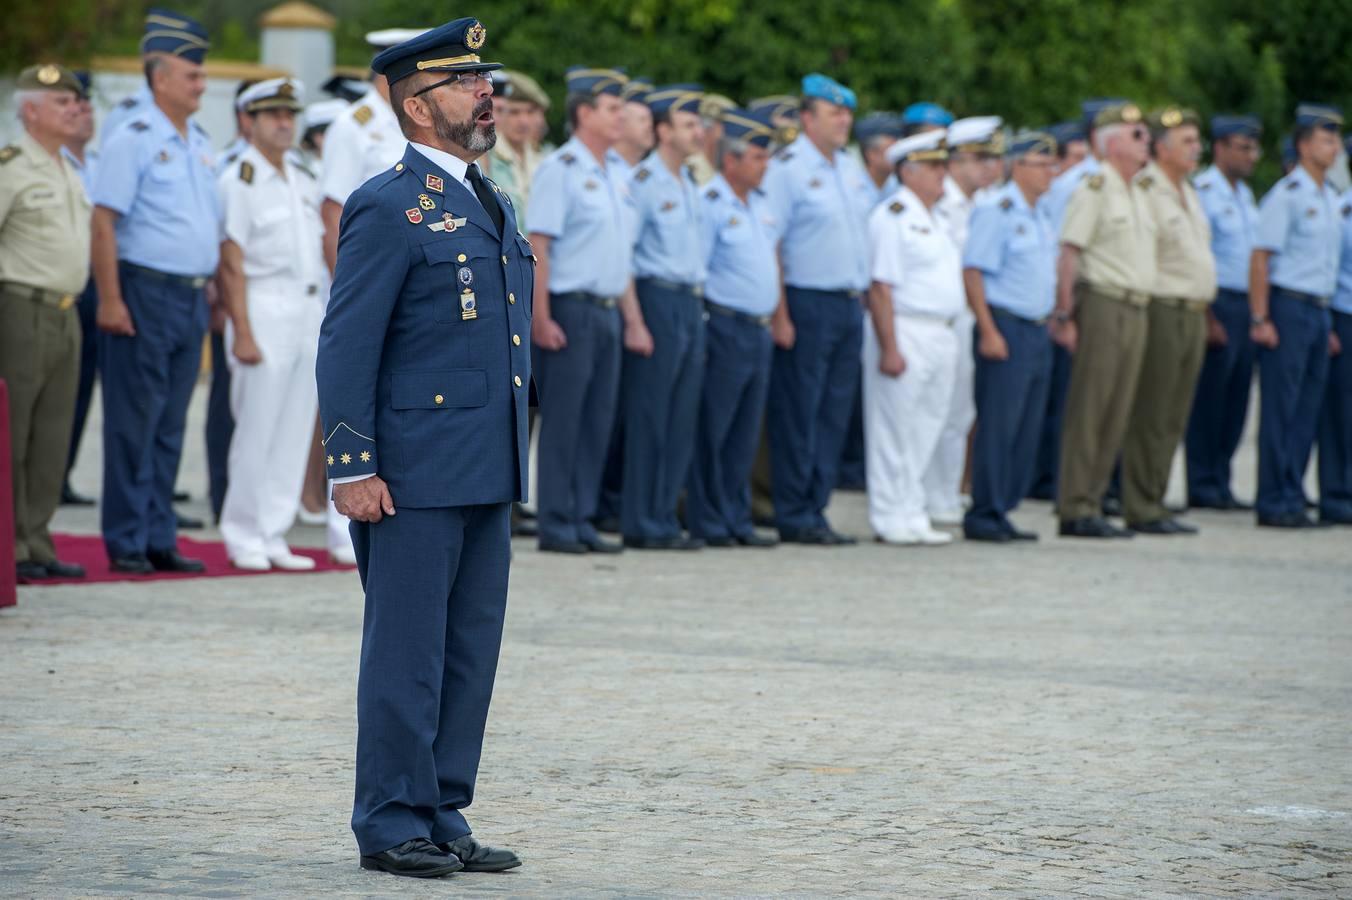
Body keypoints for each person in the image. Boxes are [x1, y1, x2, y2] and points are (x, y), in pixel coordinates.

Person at [316, 18, 527, 878]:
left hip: (485, 460)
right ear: (416, 103)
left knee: (469, 650)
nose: (486, 93)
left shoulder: (488, 195)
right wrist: (352, 464)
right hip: (413, 469)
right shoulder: (386, 202)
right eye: (464, 82)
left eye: (486, 79)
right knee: (405, 652)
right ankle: (389, 818)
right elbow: (347, 343)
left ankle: (442, 808)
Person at [90, 13, 217, 574]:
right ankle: (127, 538)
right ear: (160, 77)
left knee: (169, 423)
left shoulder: (200, 140)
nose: (201, 84)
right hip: (142, 290)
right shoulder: (132, 136)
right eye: (192, 75)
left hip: (189, 296)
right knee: (133, 421)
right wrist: (112, 300)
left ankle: (160, 532)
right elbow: (103, 223)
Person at [214, 79, 325, 570]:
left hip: (306, 306)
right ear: (249, 121)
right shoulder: (238, 178)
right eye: (272, 114)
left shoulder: (302, 175)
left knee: (295, 424)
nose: (284, 122)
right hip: (262, 303)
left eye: (289, 114)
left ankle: (274, 530)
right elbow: (230, 259)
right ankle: (242, 532)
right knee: (256, 427)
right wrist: (243, 329)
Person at [762, 73, 874, 544]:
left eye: (848, 112)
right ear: (807, 118)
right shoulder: (787, 167)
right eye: (834, 113)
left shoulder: (851, 166)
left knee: (834, 412)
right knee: (800, 410)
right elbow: (773, 244)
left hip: (849, 303)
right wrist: (781, 312)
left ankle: (818, 506)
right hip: (807, 302)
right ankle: (793, 510)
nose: (844, 120)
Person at [528, 67, 634, 554]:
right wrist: (540, 316)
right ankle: (555, 520)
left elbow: (620, 252)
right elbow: (540, 246)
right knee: (566, 420)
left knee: (599, 421)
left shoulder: (618, 171)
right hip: (571, 308)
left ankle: (582, 515)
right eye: (612, 108)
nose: (622, 117)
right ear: (584, 113)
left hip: (609, 308)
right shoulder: (561, 168)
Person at [1, 64, 91, 582]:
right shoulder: (11, 167)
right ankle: (9, 546)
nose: (73, 109)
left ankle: (37, 540)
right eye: (60, 102)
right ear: (30, 111)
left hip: (64, 311)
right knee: (15, 434)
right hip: (21, 307)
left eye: (74, 102)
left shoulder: (66, 167)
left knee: (53, 435)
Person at [1051, 101, 1155, 538]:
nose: (1146, 141)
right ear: (1111, 144)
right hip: (1103, 302)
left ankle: (1094, 499)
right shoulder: (1094, 187)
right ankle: (1075, 505)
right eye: (1136, 135)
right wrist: (1064, 314)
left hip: (1135, 306)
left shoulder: (1139, 189)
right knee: (1091, 407)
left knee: (1117, 409)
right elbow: (1069, 253)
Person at [862, 130, 964, 546]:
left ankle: (912, 508)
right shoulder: (893, 215)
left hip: (941, 330)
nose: (943, 174)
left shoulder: (937, 218)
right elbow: (881, 286)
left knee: (928, 425)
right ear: (908, 171)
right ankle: (888, 513)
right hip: (905, 327)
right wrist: (890, 346)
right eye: (935, 167)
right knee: (894, 427)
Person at [686, 108, 781, 548]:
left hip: (758, 329)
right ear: (732, 161)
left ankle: (736, 516)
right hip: (725, 326)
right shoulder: (712, 203)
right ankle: (708, 518)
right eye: (759, 157)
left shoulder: (761, 204)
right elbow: (699, 270)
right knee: (715, 428)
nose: (766, 166)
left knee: (745, 429)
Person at [620, 85, 707, 550]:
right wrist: (635, 320)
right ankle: (641, 519)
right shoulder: (644, 182)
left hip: (691, 302)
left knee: (680, 417)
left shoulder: (690, 180)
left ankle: (664, 517)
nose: (698, 131)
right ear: (663, 131)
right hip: (657, 298)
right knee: (651, 415)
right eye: (688, 123)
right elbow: (627, 258)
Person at [961, 131, 1059, 543]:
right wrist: (987, 328)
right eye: (1042, 165)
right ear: (1017, 166)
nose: (1050, 173)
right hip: (1006, 326)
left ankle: (1003, 506)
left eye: (1053, 165)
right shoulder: (997, 209)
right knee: (1000, 424)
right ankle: (984, 510)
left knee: (1026, 425)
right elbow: (973, 270)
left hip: (1036, 328)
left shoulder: (1040, 213)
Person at [1249, 104, 1343, 528]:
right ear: (1304, 146)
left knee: (1306, 407)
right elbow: (1261, 257)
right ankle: (1272, 498)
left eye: (1337, 139)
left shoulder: (1330, 199)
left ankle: (1292, 492)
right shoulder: (1287, 194)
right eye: (1326, 139)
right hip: (1288, 305)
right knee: (1281, 406)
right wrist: (1260, 317)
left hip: (1318, 309)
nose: (1335, 147)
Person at [1122, 107, 1214, 535]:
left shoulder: (1187, 190)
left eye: (1197, 142)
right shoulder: (1146, 188)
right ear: (1161, 149)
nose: (1197, 149)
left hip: (1193, 311)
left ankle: (1156, 497)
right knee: (1152, 411)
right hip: (1162, 308)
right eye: (1187, 143)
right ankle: (1140, 503)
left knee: (1175, 414)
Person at [1029, 99, 1126, 505]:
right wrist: (1062, 309)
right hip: (1085, 295)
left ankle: (1102, 483)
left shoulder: (1124, 182)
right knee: (1077, 399)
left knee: (1109, 399)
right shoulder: (1081, 183)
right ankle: (1058, 480)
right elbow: (1060, 248)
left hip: (1114, 298)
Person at [1186, 115, 1263, 510]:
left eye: (1254, 148)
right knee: (1210, 397)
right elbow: (1198, 256)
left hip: (1245, 305)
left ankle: (1222, 478)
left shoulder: (1245, 196)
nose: (1252, 155)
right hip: (1216, 302)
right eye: (1244, 147)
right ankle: (1201, 482)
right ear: (1221, 148)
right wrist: (1206, 315)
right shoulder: (1203, 191)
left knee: (1236, 400)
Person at [930, 115, 1003, 525]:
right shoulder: (941, 204)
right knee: (937, 410)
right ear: (955, 160)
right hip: (943, 316)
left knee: (959, 412)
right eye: (979, 157)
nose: (989, 167)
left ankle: (946, 491)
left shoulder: (979, 205)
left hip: (965, 319)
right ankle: (928, 493)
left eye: (992, 158)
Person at [319, 28, 427, 274]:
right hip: (371, 266)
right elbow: (333, 212)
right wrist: (347, 289)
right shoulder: (353, 126)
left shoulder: (417, 119)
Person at [61, 71, 100, 508]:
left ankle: (62, 473)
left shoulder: (98, 161)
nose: (82, 113)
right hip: (49, 291)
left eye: (87, 106)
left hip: (89, 285)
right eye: (72, 105)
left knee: (80, 387)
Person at [1321, 164, 1352, 525]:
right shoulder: (1343, 208)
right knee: (1340, 414)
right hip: (1344, 314)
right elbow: (1328, 266)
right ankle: (1336, 493)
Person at [487, 70, 549, 216]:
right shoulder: (485, 158)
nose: (523, 121)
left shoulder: (540, 158)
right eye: (514, 112)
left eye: (530, 112)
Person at [857, 112, 904, 207]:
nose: (898, 154)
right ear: (871, 154)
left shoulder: (900, 185)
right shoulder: (850, 189)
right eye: (892, 149)